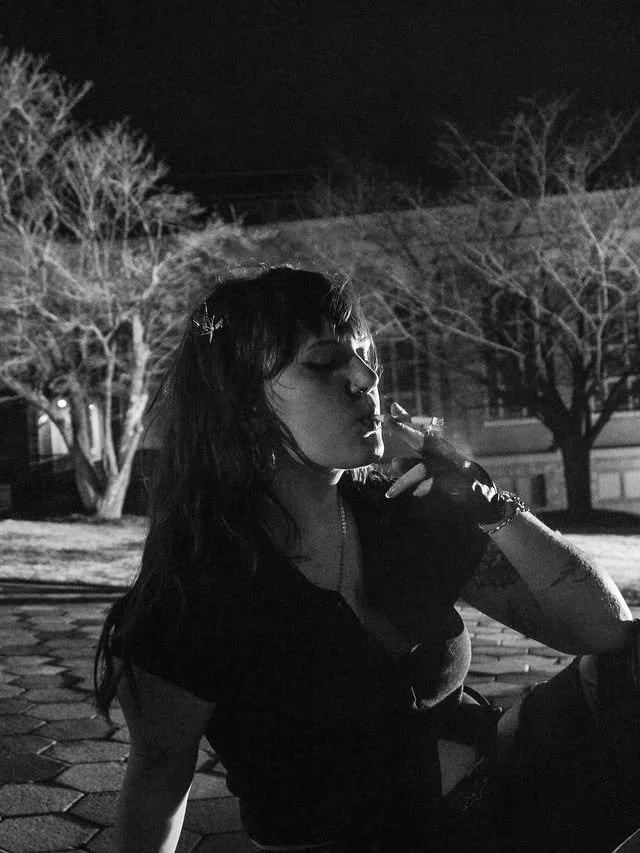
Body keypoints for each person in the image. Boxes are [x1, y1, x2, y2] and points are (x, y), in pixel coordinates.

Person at [94, 264, 640, 853]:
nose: (365, 377)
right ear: (244, 402)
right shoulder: (193, 596)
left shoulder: (401, 515)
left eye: (363, 355)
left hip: (506, 801)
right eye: (326, 363)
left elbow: (605, 630)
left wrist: (488, 503)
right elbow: (157, 784)